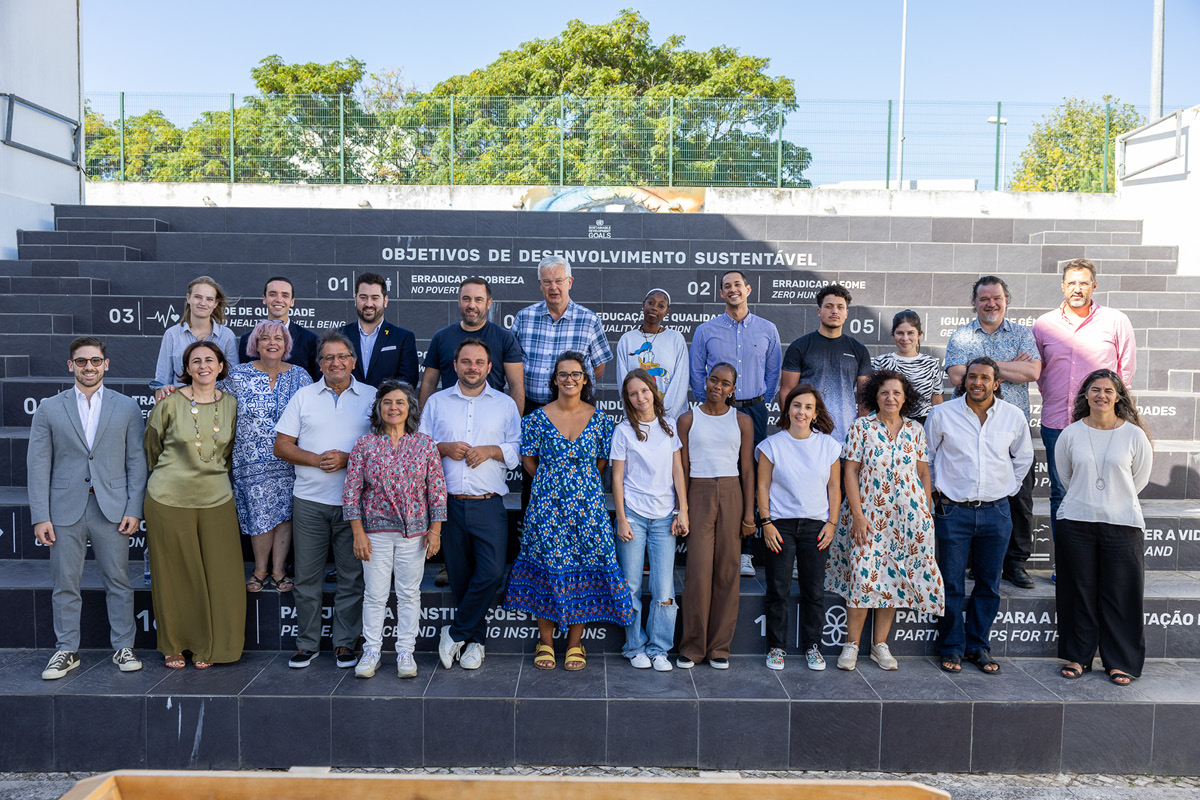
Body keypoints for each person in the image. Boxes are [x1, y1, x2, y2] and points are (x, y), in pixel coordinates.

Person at [504, 351, 634, 671]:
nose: (569, 380)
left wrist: (578, 483)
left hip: (588, 508)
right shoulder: (535, 419)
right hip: (546, 509)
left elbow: (601, 464)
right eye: (563, 374)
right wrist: (556, 481)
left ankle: (576, 643)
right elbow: (530, 461)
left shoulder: (602, 421)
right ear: (554, 380)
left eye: (576, 374)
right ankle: (545, 642)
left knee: (585, 570)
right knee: (547, 570)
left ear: (585, 379)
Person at [27, 337, 148, 679]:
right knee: (65, 583)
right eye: (81, 361)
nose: (89, 367)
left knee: (119, 581)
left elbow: (136, 462)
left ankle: (124, 646)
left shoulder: (126, 407)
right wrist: (41, 516)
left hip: (112, 508)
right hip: (65, 510)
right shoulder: (50, 408)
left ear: (106, 364)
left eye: (95, 361)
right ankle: (66, 650)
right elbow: (38, 465)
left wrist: (134, 508)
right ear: (71, 365)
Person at [825, 370, 944, 671]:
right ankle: (851, 645)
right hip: (868, 515)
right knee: (863, 577)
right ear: (874, 396)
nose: (890, 398)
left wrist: (925, 512)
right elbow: (849, 471)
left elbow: (923, 473)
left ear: (906, 398)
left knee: (893, 579)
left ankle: (880, 645)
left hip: (907, 519)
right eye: (884, 393)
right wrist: (857, 515)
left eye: (896, 393)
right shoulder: (861, 428)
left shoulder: (916, 430)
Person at [924, 357, 1033, 675]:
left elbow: (1023, 457)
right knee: (952, 584)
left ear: (996, 383)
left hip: (996, 512)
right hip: (952, 510)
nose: (977, 382)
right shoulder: (942, 413)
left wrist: (1007, 489)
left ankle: (978, 646)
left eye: (985, 377)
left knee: (988, 584)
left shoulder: (1012, 416)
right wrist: (934, 494)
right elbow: (927, 458)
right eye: (972, 376)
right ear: (963, 381)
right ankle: (952, 647)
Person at [274, 332, 374, 669]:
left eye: (342, 356)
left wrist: (350, 457)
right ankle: (307, 643)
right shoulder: (303, 397)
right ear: (319, 363)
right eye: (329, 358)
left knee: (351, 577)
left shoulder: (373, 397)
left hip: (356, 505)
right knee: (307, 577)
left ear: (353, 361)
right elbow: (282, 446)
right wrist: (317, 460)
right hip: (309, 501)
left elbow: (384, 446)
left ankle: (345, 643)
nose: (336, 363)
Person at [420, 339, 521, 671]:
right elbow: (419, 448)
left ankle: (456, 631)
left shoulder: (505, 404)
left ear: (490, 368)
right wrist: (443, 447)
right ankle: (474, 642)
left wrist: (492, 450)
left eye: (479, 362)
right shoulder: (436, 403)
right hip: (447, 505)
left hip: (489, 503)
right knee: (462, 578)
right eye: (466, 362)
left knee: (491, 573)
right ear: (455, 365)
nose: (472, 367)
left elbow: (517, 450)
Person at [143, 341, 244, 669]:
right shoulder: (169, 403)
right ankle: (174, 645)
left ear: (220, 366)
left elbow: (226, 454)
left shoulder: (230, 403)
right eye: (195, 361)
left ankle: (212, 647)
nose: (203, 366)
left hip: (217, 498)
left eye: (209, 360)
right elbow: (152, 448)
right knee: (174, 576)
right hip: (168, 499)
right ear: (186, 368)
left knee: (221, 577)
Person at [1055, 369, 1153, 686]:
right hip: (1077, 521)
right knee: (1077, 593)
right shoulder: (1070, 434)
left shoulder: (1134, 435)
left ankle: (1120, 661)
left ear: (1118, 396)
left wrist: (1111, 499)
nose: (1101, 395)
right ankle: (1078, 656)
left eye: (1108, 390)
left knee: (1121, 595)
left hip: (1122, 523)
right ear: (1085, 395)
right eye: (1095, 389)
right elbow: (1067, 477)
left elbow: (1138, 480)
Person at [344, 380, 447, 679]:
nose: (393, 407)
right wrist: (358, 532)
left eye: (399, 402)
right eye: (387, 402)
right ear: (378, 407)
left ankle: (405, 653)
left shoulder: (424, 444)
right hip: (374, 534)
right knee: (375, 595)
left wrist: (435, 531)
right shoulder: (365, 444)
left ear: (410, 408)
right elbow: (351, 491)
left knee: (409, 595)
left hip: (414, 535)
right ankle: (372, 652)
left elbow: (437, 491)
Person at [944, 276, 1041, 590]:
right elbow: (958, 374)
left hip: (1011, 430)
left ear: (1006, 300)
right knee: (973, 498)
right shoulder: (961, 337)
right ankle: (978, 564)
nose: (991, 304)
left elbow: (1032, 371)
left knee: (1019, 499)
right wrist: (1007, 365)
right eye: (984, 298)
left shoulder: (1022, 334)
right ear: (975, 302)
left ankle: (1015, 564)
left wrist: (982, 366)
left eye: (996, 298)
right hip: (969, 430)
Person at [1035, 259, 1137, 544]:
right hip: (1057, 422)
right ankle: (1066, 564)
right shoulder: (1044, 324)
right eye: (1071, 282)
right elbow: (1040, 373)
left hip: (1103, 424)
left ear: (1094, 285)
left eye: (1083, 282)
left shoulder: (1116, 321)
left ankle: (1100, 557)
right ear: (1062, 286)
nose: (1077, 288)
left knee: (1104, 489)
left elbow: (1125, 372)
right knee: (1060, 492)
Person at [689, 270, 781, 577]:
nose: (732, 290)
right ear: (720, 293)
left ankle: (746, 549)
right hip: (717, 411)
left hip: (753, 410)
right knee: (719, 473)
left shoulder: (768, 329)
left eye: (737, 285)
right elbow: (696, 372)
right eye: (726, 286)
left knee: (751, 474)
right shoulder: (706, 330)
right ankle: (719, 543)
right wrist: (711, 404)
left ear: (748, 289)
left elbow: (773, 372)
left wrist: (760, 399)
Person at [220, 319, 313, 592]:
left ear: (286, 345)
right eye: (265, 338)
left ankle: (279, 571)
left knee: (284, 515)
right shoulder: (236, 376)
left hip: (289, 459)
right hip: (249, 460)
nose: (272, 343)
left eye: (278, 339)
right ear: (255, 345)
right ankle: (260, 571)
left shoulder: (301, 376)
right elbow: (212, 401)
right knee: (260, 515)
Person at [756, 384, 841, 672]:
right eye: (796, 405)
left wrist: (832, 523)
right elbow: (762, 486)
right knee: (778, 589)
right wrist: (766, 523)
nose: (801, 412)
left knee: (814, 590)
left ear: (816, 413)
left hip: (817, 526)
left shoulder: (828, 445)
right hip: (780, 525)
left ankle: (812, 646)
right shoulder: (771, 445)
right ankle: (777, 647)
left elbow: (834, 487)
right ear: (787, 409)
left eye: (808, 407)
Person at [676, 362, 755, 670]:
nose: (717, 387)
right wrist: (682, 508)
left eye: (725, 383)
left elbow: (747, 469)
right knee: (697, 573)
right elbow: (681, 469)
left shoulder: (742, 421)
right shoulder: (687, 419)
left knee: (727, 571)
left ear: (733, 389)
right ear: (705, 380)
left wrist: (750, 514)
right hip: (699, 492)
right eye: (713, 380)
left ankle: (720, 646)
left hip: (732, 491)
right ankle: (693, 646)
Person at [611, 368, 689, 672]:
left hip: (663, 518)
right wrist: (621, 518)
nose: (640, 397)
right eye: (633, 393)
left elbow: (677, 471)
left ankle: (659, 648)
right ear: (627, 399)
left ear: (652, 391)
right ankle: (634, 646)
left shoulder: (669, 426)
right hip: (633, 514)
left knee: (663, 588)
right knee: (630, 585)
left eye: (644, 391)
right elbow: (616, 479)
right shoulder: (623, 431)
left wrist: (682, 510)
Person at [510, 255, 612, 415]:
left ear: (569, 282)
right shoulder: (524, 318)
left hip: (572, 411)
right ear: (540, 285)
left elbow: (598, 368)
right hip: (530, 409)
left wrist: (571, 389)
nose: (553, 287)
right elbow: (512, 364)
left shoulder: (589, 320)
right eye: (547, 282)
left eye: (559, 281)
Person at [779, 283, 872, 447]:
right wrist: (791, 427)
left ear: (846, 313)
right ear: (819, 311)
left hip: (846, 435)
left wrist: (861, 431)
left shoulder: (859, 350)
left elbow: (865, 398)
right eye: (829, 306)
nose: (834, 311)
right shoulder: (799, 346)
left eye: (840, 307)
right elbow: (787, 390)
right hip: (808, 433)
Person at [418, 277, 525, 413]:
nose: (471, 305)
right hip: (449, 419)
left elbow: (516, 386)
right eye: (466, 299)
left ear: (489, 303)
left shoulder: (505, 338)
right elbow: (428, 384)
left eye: (478, 300)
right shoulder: (441, 337)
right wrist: (422, 422)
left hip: (492, 419)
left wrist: (515, 423)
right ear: (459, 301)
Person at [153, 275, 239, 401]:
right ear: (188, 298)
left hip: (216, 407)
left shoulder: (227, 336)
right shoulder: (172, 334)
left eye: (209, 299)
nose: (203, 303)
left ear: (215, 303)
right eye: (198, 297)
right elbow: (161, 383)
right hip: (180, 406)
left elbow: (233, 380)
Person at [614, 289, 690, 420]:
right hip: (637, 418)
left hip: (670, 420)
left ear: (667, 312)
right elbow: (623, 382)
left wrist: (665, 416)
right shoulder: (627, 339)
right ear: (644, 304)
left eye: (661, 306)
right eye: (651, 303)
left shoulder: (676, 339)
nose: (654, 308)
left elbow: (680, 382)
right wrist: (635, 414)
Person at [340, 272, 419, 387]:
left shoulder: (402, 338)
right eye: (363, 297)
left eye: (375, 298)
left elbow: (407, 382)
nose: (369, 303)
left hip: (384, 404)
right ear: (355, 299)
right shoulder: (340, 335)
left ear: (385, 301)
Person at [236, 276, 321, 381]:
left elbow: (316, 381)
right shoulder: (247, 339)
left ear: (292, 302)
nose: (279, 300)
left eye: (285, 295)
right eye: (273, 294)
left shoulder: (310, 340)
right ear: (264, 299)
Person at [871, 310, 943, 425]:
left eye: (910, 333)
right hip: (888, 425)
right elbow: (873, 399)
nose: (905, 338)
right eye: (900, 333)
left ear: (919, 334)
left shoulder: (931, 363)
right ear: (893, 334)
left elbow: (937, 401)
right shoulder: (881, 362)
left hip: (924, 425)